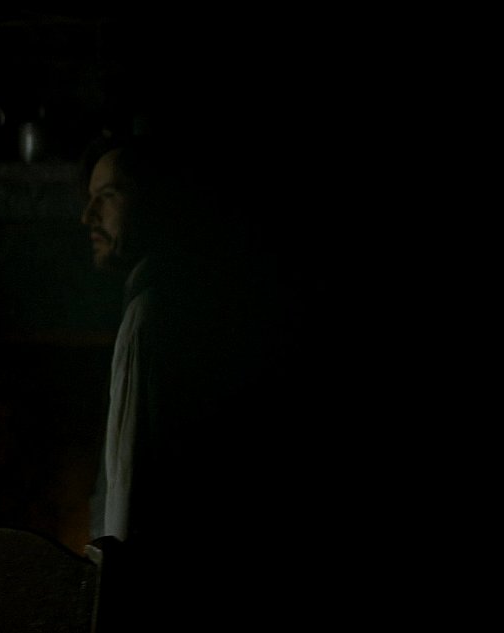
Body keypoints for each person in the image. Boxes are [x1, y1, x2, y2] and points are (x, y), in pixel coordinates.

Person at [77, 131, 337, 628]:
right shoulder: (181, 303)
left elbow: (129, 490)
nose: (88, 216)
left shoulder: (150, 317)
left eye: (107, 196)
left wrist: (112, 602)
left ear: (153, 202)